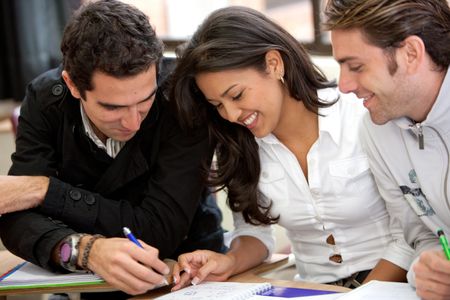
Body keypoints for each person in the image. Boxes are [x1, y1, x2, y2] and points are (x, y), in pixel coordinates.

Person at [168, 6, 413, 291]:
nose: (232, 114)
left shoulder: (362, 116)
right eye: (218, 105)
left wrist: (360, 296)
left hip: (396, 284)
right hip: (311, 289)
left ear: (274, 64)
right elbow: (255, 234)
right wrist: (229, 262)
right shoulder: (239, 145)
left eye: (236, 95)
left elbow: (409, 233)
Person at [0, 0, 225, 296]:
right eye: (112, 107)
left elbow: (159, 232)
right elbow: (15, 218)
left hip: (188, 275)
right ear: (72, 85)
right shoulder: (45, 101)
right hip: (89, 278)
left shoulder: (183, 98)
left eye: (145, 100)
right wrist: (85, 250)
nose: (133, 123)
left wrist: (45, 190)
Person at [323, 0, 450, 299]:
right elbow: (422, 234)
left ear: (411, 54)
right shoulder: (376, 130)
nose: (343, 85)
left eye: (356, 67)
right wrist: (430, 270)